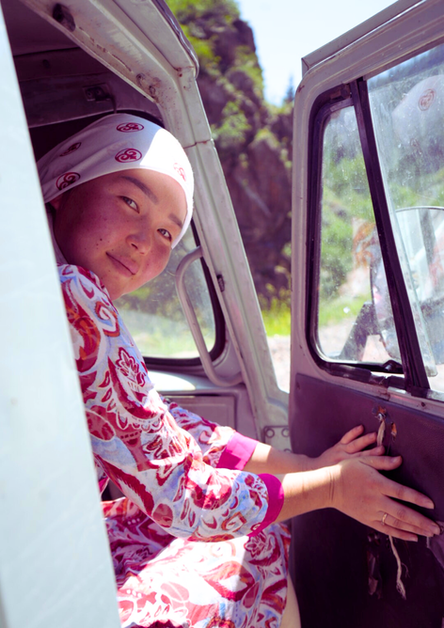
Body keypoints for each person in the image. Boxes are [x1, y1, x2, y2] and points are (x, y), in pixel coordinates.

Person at [38, 113, 440, 628]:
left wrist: (308, 465)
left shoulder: (44, 287)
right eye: (130, 202)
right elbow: (181, 493)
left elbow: (164, 426)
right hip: (33, 577)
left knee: (253, 531)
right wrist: (331, 487)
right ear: (63, 185)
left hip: (37, 549)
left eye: (165, 232)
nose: (143, 240)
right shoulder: (72, 293)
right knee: (254, 553)